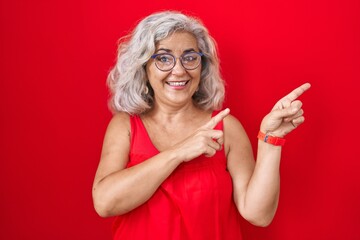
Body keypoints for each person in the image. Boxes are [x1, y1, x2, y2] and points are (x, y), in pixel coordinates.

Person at [92, 10, 311, 240]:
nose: (179, 70)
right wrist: (179, 152)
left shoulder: (226, 127)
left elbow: (258, 214)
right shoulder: (125, 126)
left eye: (189, 57)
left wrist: (271, 139)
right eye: (164, 58)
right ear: (144, 68)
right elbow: (105, 203)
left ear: (202, 66)